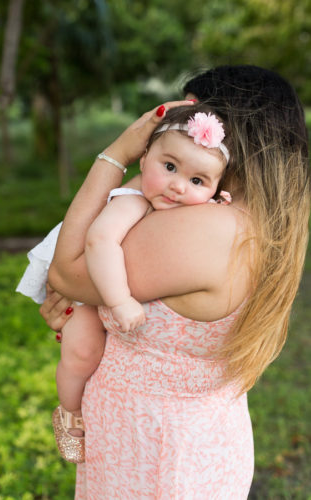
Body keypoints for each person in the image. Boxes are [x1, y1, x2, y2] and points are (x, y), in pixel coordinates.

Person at [40, 65, 310, 499]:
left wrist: (116, 153)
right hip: (186, 445)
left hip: (155, 456)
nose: (172, 125)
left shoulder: (209, 229)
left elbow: (66, 271)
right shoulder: (256, 223)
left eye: (189, 114)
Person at [17, 102, 232, 463]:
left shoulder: (195, 208)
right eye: (169, 167)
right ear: (144, 159)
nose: (178, 186)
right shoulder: (132, 200)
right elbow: (99, 241)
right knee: (82, 351)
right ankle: (69, 414)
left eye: (197, 181)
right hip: (94, 282)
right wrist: (119, 301)